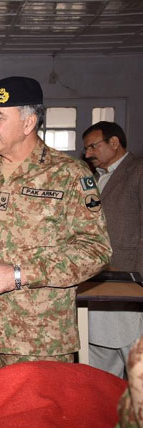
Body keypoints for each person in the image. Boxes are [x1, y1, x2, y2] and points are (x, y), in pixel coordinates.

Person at [0, 76, 112, 373]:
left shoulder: (70, 176)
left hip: (41, 344)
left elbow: (96, 250)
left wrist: (19, 274)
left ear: (28, 123)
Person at [83, 121, 143, 378]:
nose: (87, 154)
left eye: (93, 146)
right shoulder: (95, 178)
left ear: (114, 143)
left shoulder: (138, 170)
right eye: (86, 149)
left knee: (134, 356)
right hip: (101, 281)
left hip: (132, 279)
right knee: (101, 352)